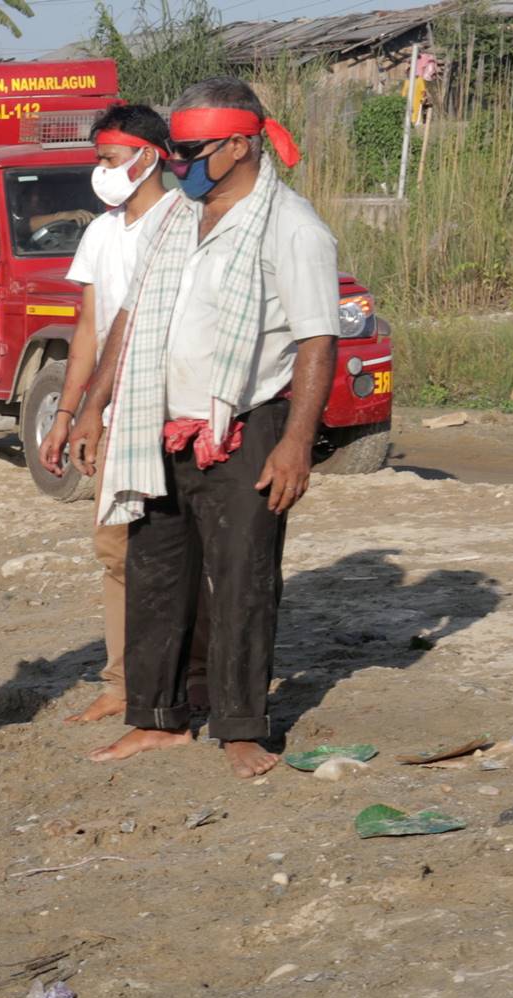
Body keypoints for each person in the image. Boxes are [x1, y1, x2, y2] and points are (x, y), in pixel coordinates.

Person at [65, 79, 341, 781]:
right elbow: (128, 318)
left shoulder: (293, 228)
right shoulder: (173, 220)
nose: (177, 163)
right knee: (157, 571)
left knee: (243, 576)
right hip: (159, 420)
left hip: (249, 425)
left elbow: (316, 341)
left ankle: (243, 726)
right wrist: (96, 404)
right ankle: (156, 719)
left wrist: (296, 442)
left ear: (240, 145)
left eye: (188, 150)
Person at [37, 102, 196, 726]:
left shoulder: (186, 222)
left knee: (177, 546)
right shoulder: (102, 232)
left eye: (107, 159)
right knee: (115, 548)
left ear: (147, 156)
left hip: (170, 405)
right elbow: (89, 330)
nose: (98, 171)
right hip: (110, 408)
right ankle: (123, 681)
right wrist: (69, 412)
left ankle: (186, 680)